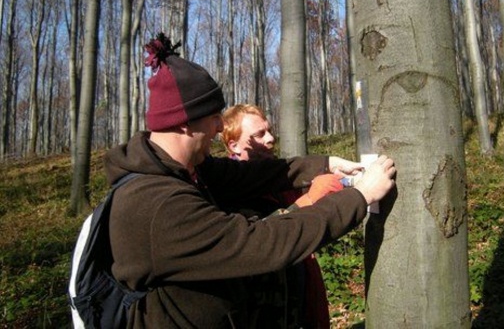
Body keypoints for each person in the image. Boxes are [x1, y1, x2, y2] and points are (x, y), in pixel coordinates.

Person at [105, 33, 396, 329]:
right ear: (183, 123)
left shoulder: (184, 170)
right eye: (213, 118)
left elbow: (255, 174)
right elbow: (264, 242)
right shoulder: (158, 204)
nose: (220, 128)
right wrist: (359, 197)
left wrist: (327, 163)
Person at [221, 104, 344, 328]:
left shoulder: (283, 181)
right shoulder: (228, 193)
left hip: (297, 303)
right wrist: (309, 202)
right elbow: (257, 242)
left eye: (270, 130)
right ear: (234, 145)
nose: (270, 139)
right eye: (259, 134)